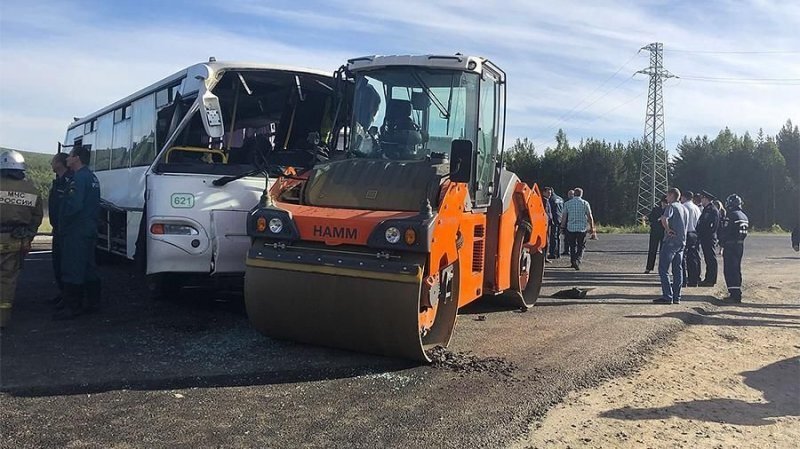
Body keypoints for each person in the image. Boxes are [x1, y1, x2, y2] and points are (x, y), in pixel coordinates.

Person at [53, 146, 101, 320]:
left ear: (77, 158)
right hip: (88, 228)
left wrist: (63, 223)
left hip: (76, 231)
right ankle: (93, 303)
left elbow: (74, 206)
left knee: (72, 267)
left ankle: (73, 306)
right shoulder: (92, 177)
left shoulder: (78, 179)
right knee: (88, 267)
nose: (67, 159)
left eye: (70, 156)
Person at [0, 150, 43, 328]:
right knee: (7, 280)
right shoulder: (31, 190)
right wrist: (28, 237)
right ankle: (2, 319)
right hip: (14, 241)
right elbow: (36, 218)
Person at [654, 187, 688, 304]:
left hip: (671, 241)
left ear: (672, 195)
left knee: (663, 269)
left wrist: (667, 229)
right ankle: (677, 297)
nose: (666, 198)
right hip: (681, 241)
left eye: (667, 196)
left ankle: (667, 296)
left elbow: (664, 219)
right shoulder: (684, 208)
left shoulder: (671, 207)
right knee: (678, 269)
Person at [48, 153, 72, 305]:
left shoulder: (69, 181)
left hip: (65, 230)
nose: (51, 163)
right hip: (57, 228)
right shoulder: (59, 181)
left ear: (59, 163)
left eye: (53, 161)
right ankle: (62, 293)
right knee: (57, 263)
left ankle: (68, 297)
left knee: (65, 264)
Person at [719, 194, 749, 303]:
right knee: (736, 268)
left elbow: (726, 231)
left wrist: (721, 242)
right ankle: (737, 291)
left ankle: (734, 294)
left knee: (730, 269)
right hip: (740, 245)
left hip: (730, 245)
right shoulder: (744, 216)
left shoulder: (731, 215)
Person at [560, 187, 596, 270]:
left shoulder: (567, 203)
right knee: (581, 246)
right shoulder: (585, 203)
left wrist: (562, 227)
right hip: (582, 228)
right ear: (581, 194)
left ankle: (573, 261)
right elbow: (590, 216)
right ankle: (578, 259)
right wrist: (592, 227)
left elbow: (564, 216)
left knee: (572, 246)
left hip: (571, 228)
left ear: (574, 194)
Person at [697, 190, 720, 286]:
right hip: (705, 237)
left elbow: (711, 225)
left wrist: (703, 233)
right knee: (708, 258)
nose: (701, 200)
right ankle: (708, 278)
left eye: (702, 198)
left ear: (706, 199)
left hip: (709, 237)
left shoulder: (712, 210)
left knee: (711, 259)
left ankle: (711, 280)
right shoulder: (707, 209)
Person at [681, 190, 702, 286]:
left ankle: (683, 280)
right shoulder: (696, 208)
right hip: (695, 233)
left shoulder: (684, 207)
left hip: (686, 233)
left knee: (683, 257)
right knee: (693, 257)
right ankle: (694, 279)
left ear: (684, 197)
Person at [645, 197, 668, 274]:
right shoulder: (656, 209)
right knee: (652, 250)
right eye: (664, 202)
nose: (665, 204)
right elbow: (650, 219)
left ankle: (661, 268)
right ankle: (649, 267)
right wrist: (659, 219)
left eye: (666, 202)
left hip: (664, 232)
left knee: (663, 251)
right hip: (655, 232)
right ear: (661, 202)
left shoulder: (668, 210)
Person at [542, 187, 564, 259]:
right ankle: (558, 253)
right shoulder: (560, 199)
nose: (549, 194)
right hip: (560, 219)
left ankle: (552, 253)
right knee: (558, 237)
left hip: (553, 220)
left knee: (552, 237)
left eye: (550, 193)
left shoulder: (550, 200)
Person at [561, 189, 575, 256]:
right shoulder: (566, 202)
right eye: (569, 194)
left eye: (571, 194)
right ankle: (566, 250)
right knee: (566, 238)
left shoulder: (574, 203)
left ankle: (572, 250)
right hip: (567, 222)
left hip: (573, 222)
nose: (570, 195)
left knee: (573, 238)